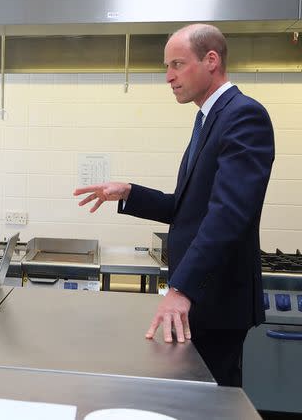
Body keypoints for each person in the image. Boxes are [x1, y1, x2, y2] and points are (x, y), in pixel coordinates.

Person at [73, 24, 274, 387]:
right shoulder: (209, 120)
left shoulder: (243, 116)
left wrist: (181, 290)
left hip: (216, 302)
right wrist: (130, 192)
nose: (168, 77)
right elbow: (187, 209)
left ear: (211, 60)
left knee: (212, 404)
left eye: (177, 64)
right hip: (202, 301)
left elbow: (228, 215)